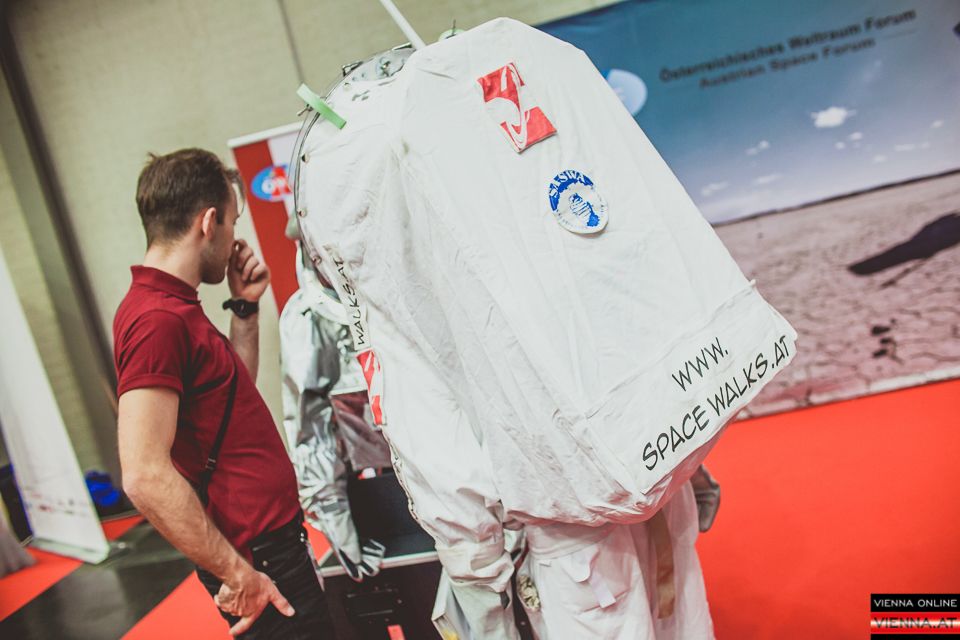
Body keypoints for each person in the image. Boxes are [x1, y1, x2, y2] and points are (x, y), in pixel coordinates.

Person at [114, 148, 332, 638]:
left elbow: (229, 402)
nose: (235, 237)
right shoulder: (156, 320)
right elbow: (144, 473)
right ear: (208, 222)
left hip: (269, 548)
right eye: (233, 223)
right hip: (256, 558)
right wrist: (237, 573)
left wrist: (244, 308)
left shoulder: (174, 306)